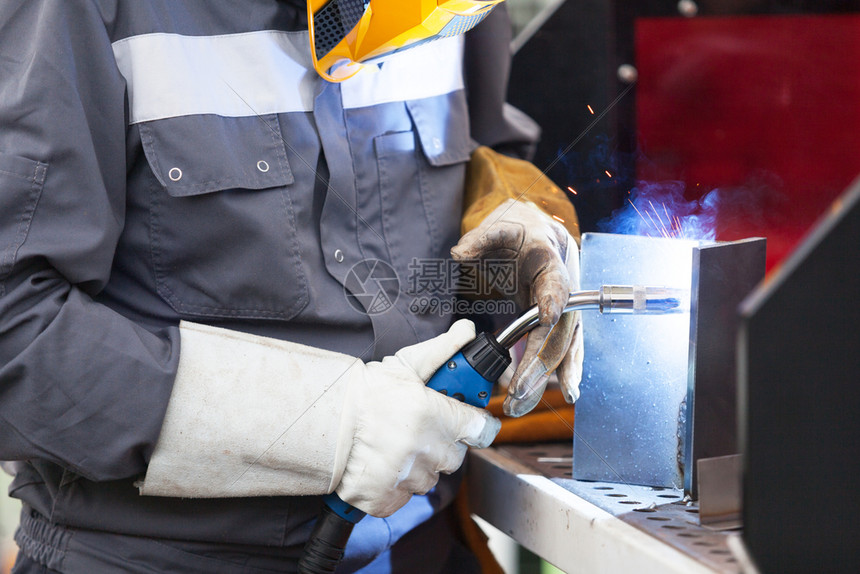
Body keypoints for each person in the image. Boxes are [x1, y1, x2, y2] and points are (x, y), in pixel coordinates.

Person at [0, 1, 582, 572]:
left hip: (419, 545)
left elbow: (480, 152)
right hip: (152, 558)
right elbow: (14, 329)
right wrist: (327, 424)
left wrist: (515, 222)